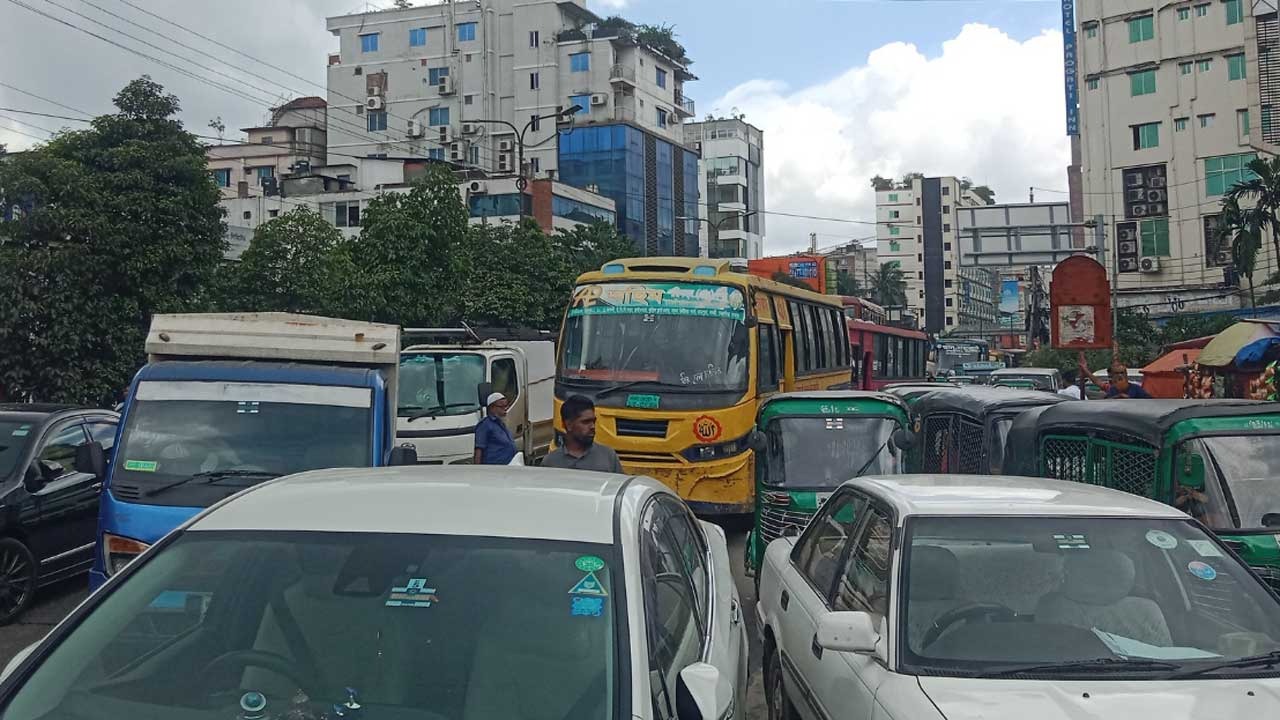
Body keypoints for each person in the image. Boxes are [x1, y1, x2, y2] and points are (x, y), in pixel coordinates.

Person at [542, 395, 623, 473]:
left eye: (593, 421)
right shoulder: (551, 463)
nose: (592, 426)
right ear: (568, 425)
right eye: (586, 422)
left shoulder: (608, 457)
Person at [474, 392, 518, 465]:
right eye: (502, 406)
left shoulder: (501, 423)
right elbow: (479, 450)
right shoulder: (485, 425)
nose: (505, 408)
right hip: (494, 469)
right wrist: (478, 471)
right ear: (492, 408)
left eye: (506, 405)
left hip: (509, 467)